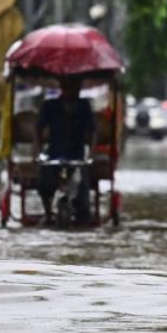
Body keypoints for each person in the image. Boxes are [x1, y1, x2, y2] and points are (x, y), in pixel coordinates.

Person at [35, 76, 96, 224]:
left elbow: (93, 131)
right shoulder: (50, 105)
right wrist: (37, 152)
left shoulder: (84, 106)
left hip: (77, 158)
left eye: (75, 85)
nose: (71, 89)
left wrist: (92, 154)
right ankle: (49, 213)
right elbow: (38, 129)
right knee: (44, 184)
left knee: (83, 199)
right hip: (54, 157)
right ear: (62, 86)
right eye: (68, 85)